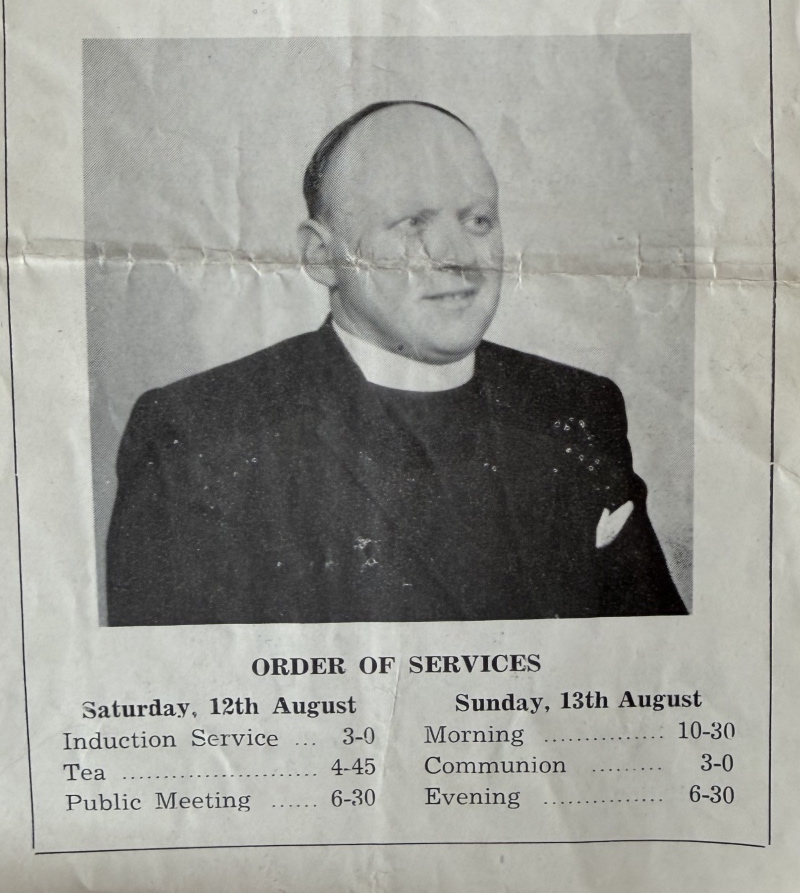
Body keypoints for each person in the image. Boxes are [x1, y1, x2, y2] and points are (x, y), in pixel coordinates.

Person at [107, 100, 686, 625]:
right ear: (322, 257)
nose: (459, 257)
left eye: (478, 220)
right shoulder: (199, 432)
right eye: (413, 224)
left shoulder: (579, 404)